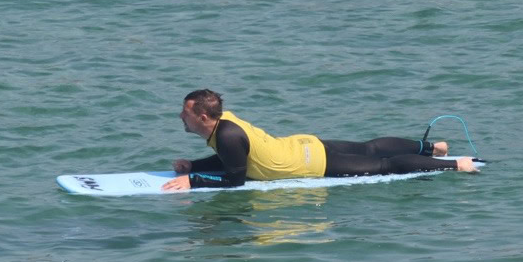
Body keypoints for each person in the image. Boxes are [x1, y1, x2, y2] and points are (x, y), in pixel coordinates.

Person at [162, 88, 477, 190]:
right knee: (370, 147)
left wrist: (195, 180)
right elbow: (233, 159)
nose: (180, 117)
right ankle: (431, 146)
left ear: (204, 118)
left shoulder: (228, 135)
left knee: (383, 166)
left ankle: (453, 164)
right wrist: (194, 165)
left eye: (185, 113)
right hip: (306, 144)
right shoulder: (225, 125)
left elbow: (235, 178)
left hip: (315, 162)